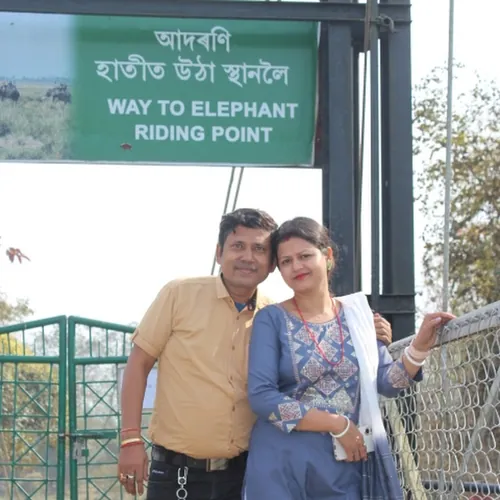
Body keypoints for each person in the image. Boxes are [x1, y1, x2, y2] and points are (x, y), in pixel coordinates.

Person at [117, 208, 394, 500]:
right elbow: (139, 363)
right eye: (238, 246)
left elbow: (330, 349)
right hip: (178, 472)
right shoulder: (179, 295)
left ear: (272, 264)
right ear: (219, 253)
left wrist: (366, 332)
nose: (248, 257)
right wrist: (130, 439)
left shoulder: (277, 318)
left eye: (259, 249)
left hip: (244, 474)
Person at [244, 217, 455, 500]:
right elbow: (262, 397)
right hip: (282, 466)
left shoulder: (358, 317)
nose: (296, 267)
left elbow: (388, 383)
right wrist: (336, 424)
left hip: (344, 465)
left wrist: (419, 347)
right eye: (286, 261)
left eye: (305, 256)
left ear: (327, 256)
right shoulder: (271, 319)